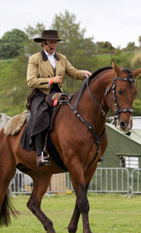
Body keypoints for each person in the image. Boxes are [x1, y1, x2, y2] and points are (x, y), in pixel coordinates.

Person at [21, 30, 91, 167]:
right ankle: (39, 153)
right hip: (41, 94)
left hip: (58, 94)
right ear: (43, 43)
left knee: (75, 111)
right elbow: (30, 81)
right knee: (41, 115)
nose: (54, 45)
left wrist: (83, 73)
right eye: (51, 43)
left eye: (55, 42)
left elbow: (73, 72)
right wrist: (51, 80)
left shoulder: (61, 58)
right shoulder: (34, 59)